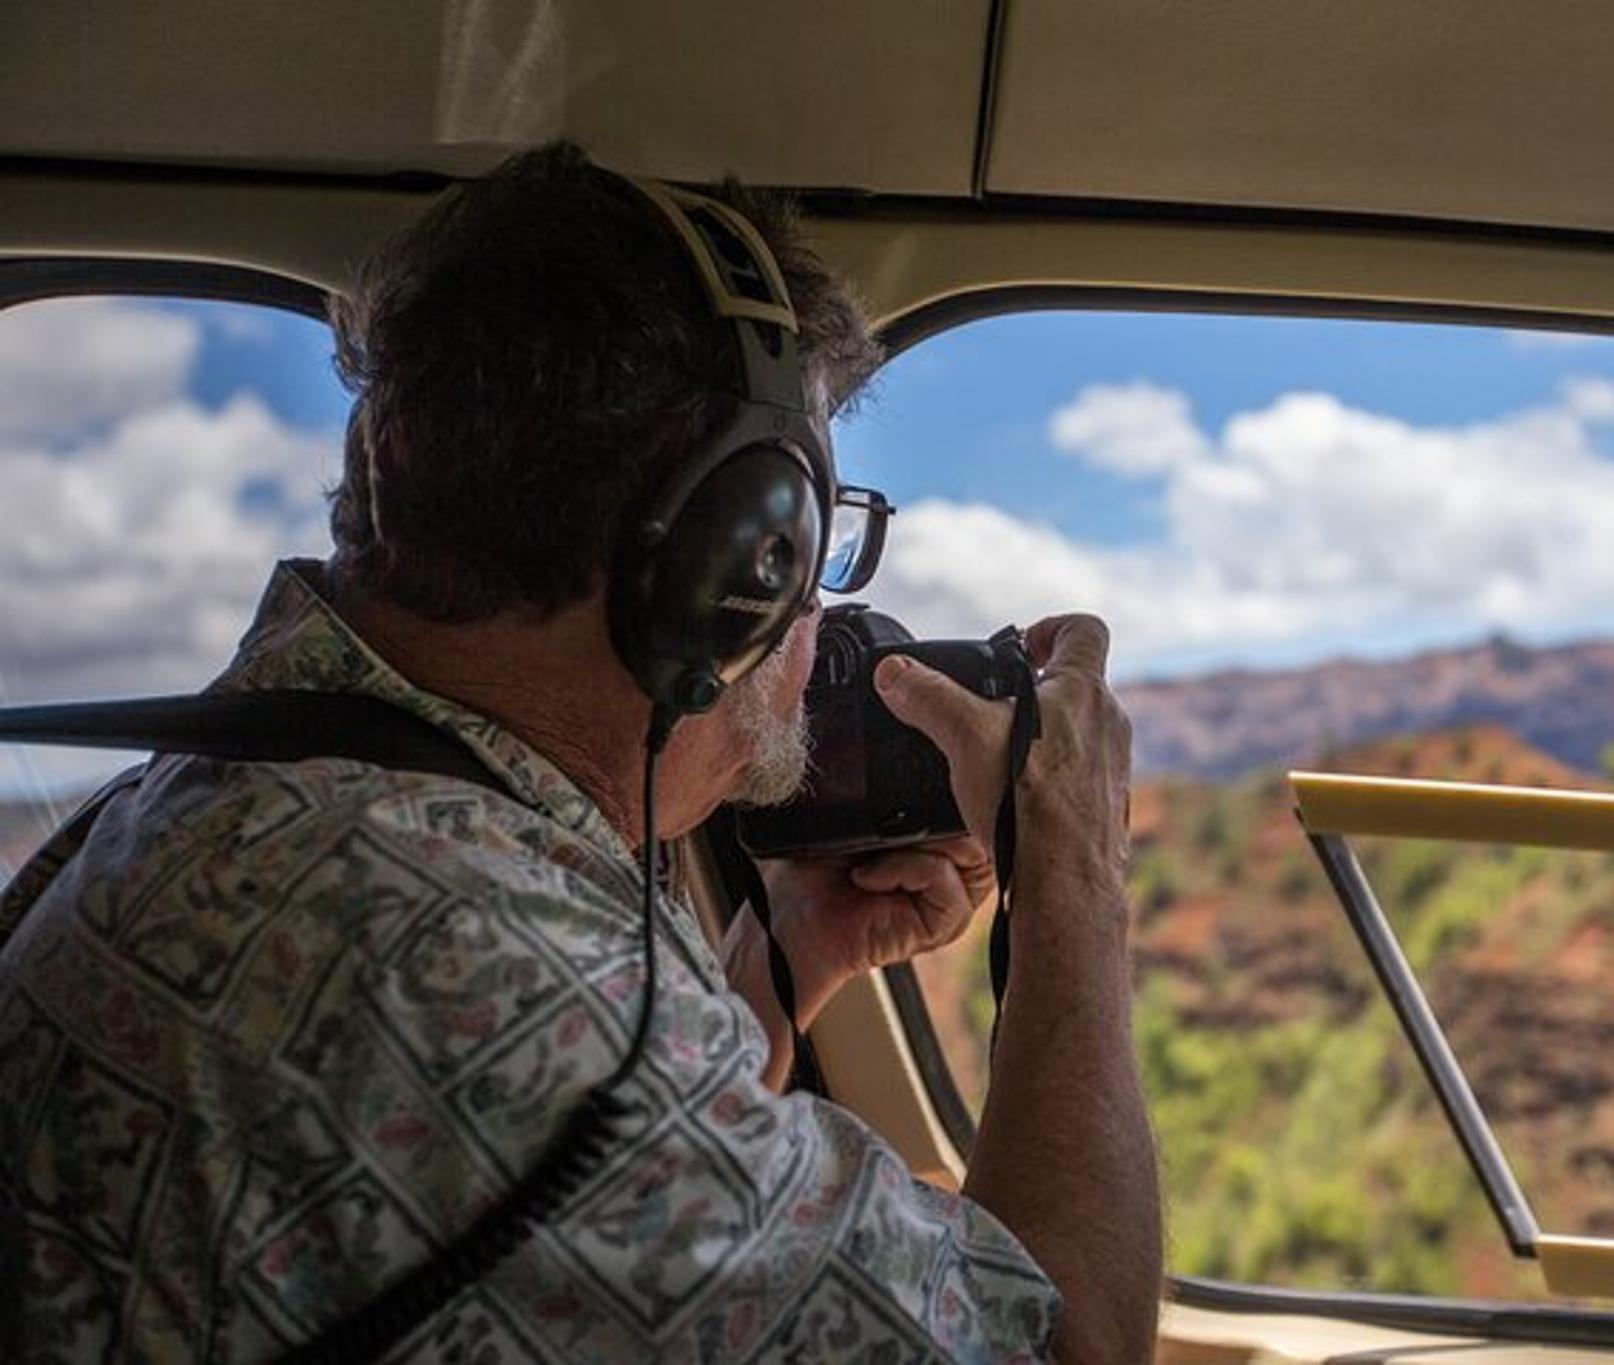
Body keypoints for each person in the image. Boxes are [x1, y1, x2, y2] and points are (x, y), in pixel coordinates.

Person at [0, 143, 1161, 1363]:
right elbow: (1062, 1348)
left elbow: (614, 1242)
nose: (809, 612)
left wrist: (782, 958)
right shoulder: (456, 962)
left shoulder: (253, 802)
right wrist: (1073, 870)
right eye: (804, 546)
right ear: (725, 566)